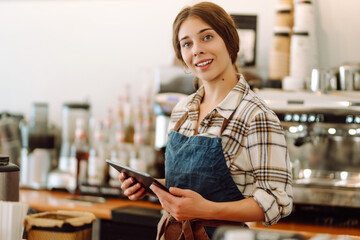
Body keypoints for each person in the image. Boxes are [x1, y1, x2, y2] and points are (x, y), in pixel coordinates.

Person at [120, 2, 293, 239]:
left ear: (230, 42)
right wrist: (151, 186)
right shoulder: (182, 110)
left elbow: (277, 201)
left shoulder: (256, 115)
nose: (197, 50)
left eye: (207, 37)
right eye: (187, 44)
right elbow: (188, 183)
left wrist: (206, 209)